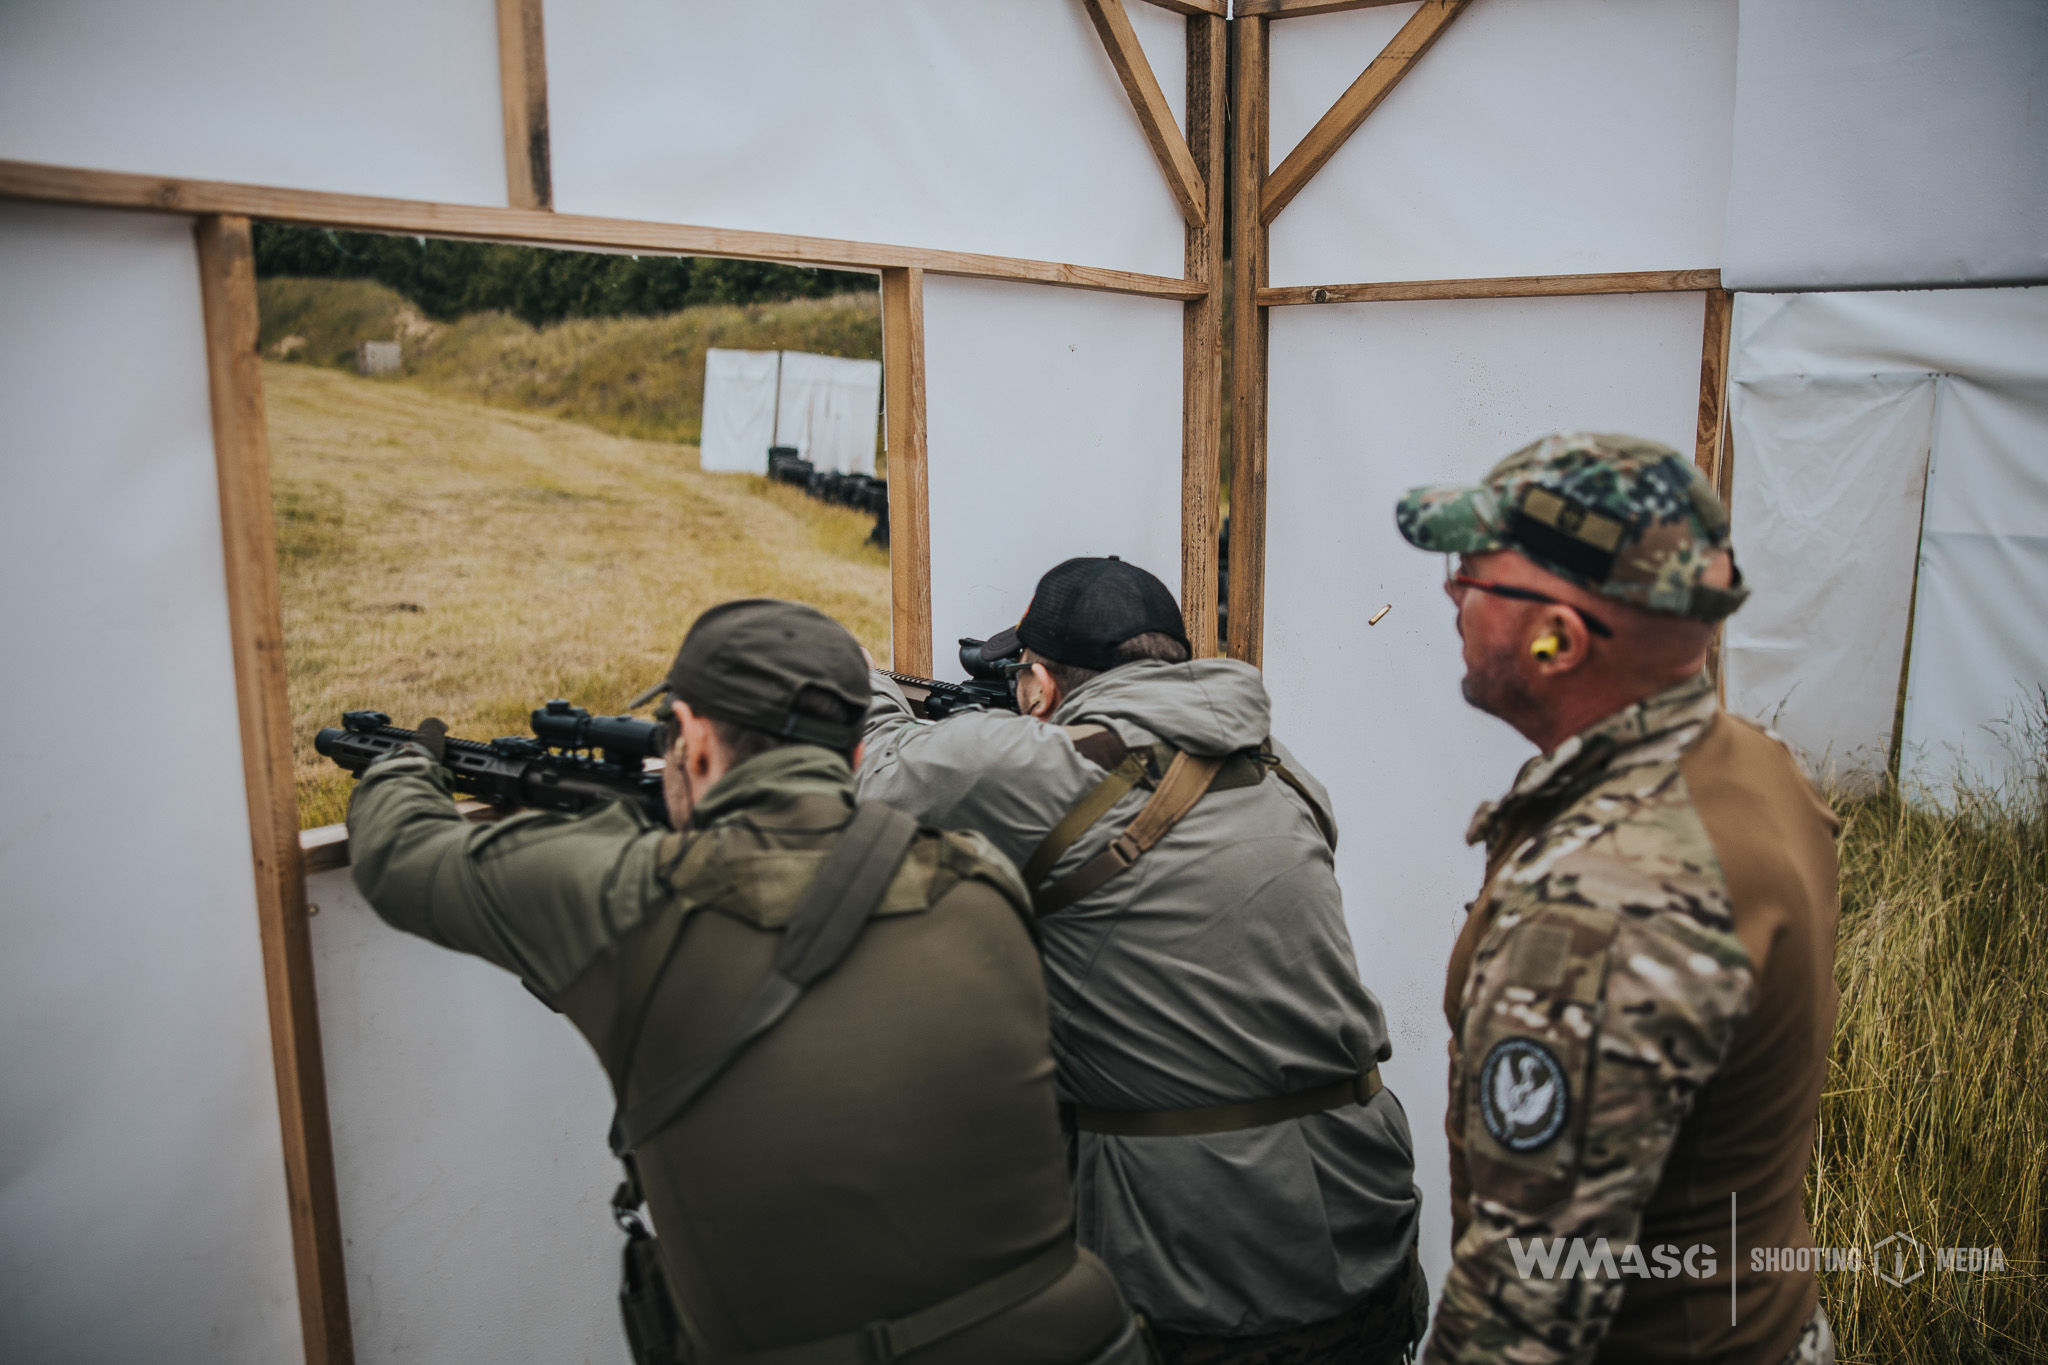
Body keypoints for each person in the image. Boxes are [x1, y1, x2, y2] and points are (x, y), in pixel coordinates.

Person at [345, 598, 1145, 1365]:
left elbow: (400, 855)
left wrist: (410, 757)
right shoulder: (981, 883)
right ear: (860, 754)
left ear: (691, 743)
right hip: (1087, 1339)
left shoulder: (627, 897)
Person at [856, 557, 1425, 1364]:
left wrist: (869, 682)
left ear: (1042, 689)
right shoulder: (1279, 766)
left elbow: (876, 767)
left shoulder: (1035, 766)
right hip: (1372, 1241)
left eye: (1022, 676)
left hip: (1204, 1282)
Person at [1395, 433, 1840, 1364]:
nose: (1451, 594)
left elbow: (1525, 1312)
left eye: (1473, 574)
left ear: (1557, 636)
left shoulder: (1599, 905)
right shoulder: (1755, 766)